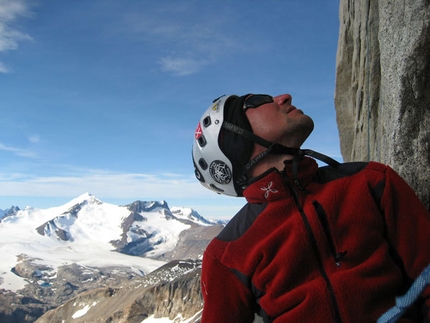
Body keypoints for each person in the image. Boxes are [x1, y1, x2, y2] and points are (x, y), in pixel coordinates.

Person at [192, 93, 430, 323]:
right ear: (234, 141)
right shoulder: (226, 255)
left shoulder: (371, 182)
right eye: (257, 101)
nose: (284, 97)